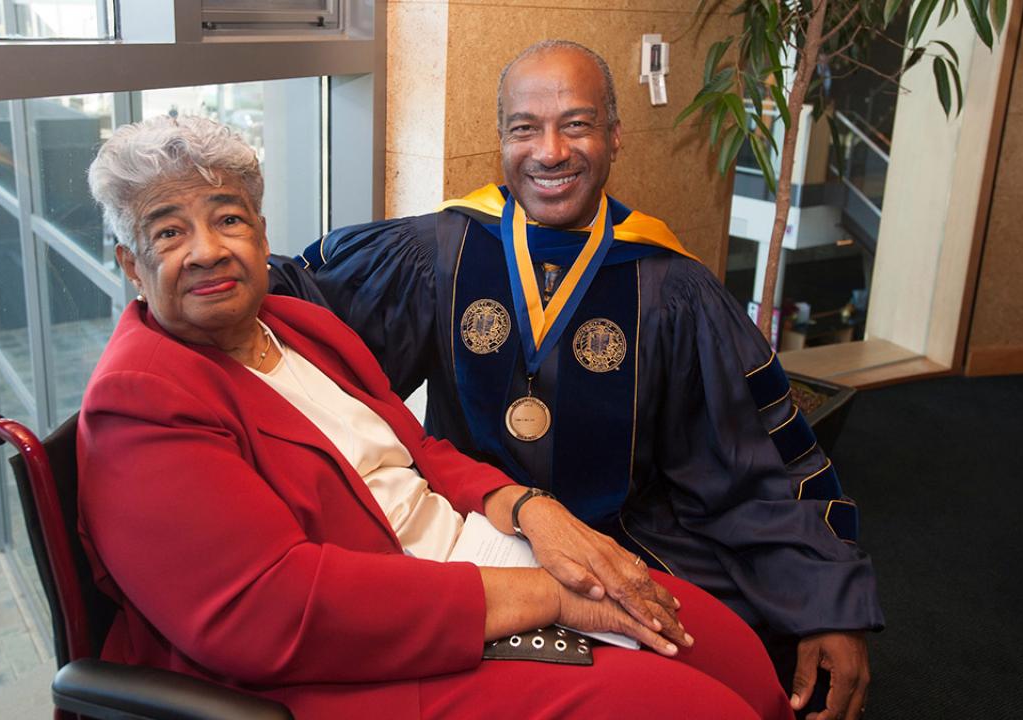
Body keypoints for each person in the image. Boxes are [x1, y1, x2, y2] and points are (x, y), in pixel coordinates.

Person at [78, 115, 794, 719]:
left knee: (736, 658)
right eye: (167, 234)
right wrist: (547, 596)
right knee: (700, 710)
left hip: (462, 553)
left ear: (262, 237)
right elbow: (272, 612)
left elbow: (416, 447)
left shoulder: (293, 324)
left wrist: (530, 509)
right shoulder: (142, 399)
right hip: (349, 654)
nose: (207, 251)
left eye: (228, 219)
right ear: (131, 265)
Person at [299, 40, 883, 720]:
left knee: (753, 664)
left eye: (575, 124)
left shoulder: (670, 286)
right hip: (470, 531)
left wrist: (826, 597)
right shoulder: (437, 254)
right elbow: (294, 325)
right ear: (501, 139)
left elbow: (748, 462)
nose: (550, 151)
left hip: (627, 534)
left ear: (614, 135)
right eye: (526, 128)